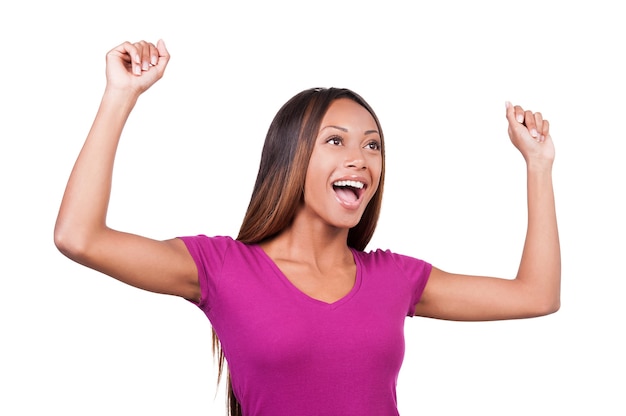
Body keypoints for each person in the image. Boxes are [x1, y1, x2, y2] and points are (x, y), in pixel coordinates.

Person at [54, 39, 561, 416]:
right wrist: (120, 96)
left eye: (372, 145)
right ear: (292, 158)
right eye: (336, 142)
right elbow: (79, 236)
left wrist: (538, 166)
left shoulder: (394, 278)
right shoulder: (223, 269)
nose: (360, 159)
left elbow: (536, 296)